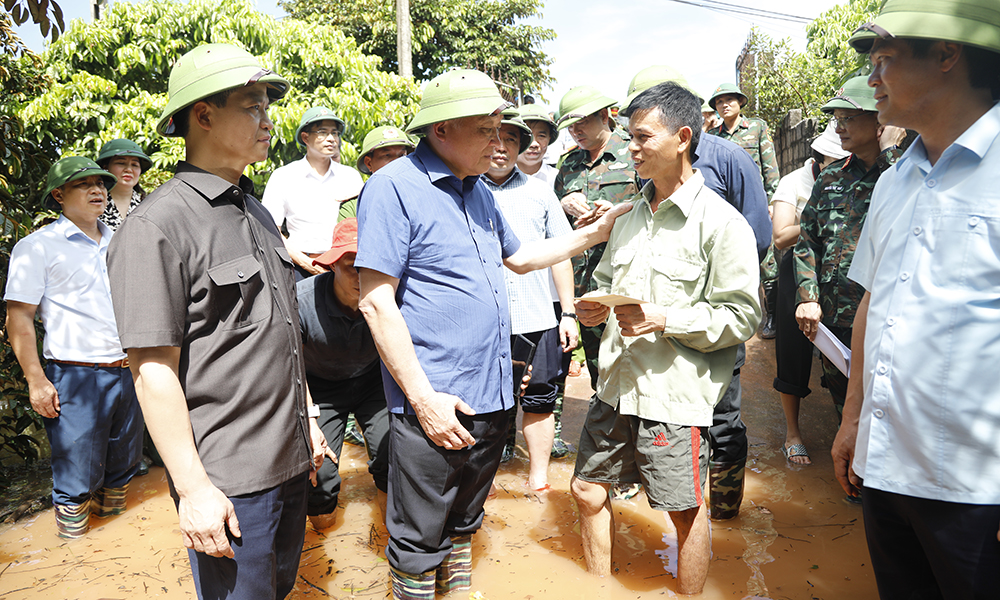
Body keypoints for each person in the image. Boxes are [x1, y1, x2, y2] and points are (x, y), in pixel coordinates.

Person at [355, 68, 630, 599]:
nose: (498, 143)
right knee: (417, 537)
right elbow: (375, 302)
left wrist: (595, 233)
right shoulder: (393, 188)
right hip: (436, 399)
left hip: (493, 392)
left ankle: (456, 592)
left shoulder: (478, 190)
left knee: (464, 520)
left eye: (501, 130)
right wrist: (423, 401)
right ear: (441, 130)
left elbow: (521, 258)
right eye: (485, 130)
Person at [106, 44, 332, 600]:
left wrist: (307, 416)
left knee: (280, 589)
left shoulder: (256, 211)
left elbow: (280, 332)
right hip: (229, 479)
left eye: (267, 107)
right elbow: (152, 372)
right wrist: (193, 490)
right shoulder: (157, 226)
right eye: (252, 107)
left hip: (289, 457)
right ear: (203, 115)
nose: (268, 121)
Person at [833, 2, 1000, 597]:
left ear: (947, 54)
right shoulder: (893, 180)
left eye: (883, 60)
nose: (871, 78)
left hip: (976, 488)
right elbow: (872, 306)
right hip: (885, 469)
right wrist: (851, 419)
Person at [572, 81, 760, 595]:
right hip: (615, 384)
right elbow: (607, 280)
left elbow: (743, 317)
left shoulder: (722, 224)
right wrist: (593, 306)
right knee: (587, 490)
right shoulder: (629, 216)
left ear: (682, 138)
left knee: (682, 510)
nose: (630, 148)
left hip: (673, 396)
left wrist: (665, 318)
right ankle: (596, 589)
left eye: (642, 137)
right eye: (629, 137)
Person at [622, 64, 772, 520]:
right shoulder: (646, 164)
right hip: (658, 332)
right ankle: (680, 502)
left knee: (722, 417)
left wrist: (708, 287)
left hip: (711, 318)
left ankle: (723, 512)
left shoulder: (729, 158)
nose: (635, 144)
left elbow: (756, 234)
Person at [5, 156, 143, 540]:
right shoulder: (38, 247)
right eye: (84, 185)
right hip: (76, 375)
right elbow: (19, 319)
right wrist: (36, 381)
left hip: (128, 370)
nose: (97, 190)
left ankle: (112, 551)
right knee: (75, 477)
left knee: (122, 468)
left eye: (101, 184)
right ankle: (73, 552)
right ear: (58, 195)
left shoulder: (122, 242)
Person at [793, 76, 905, 421]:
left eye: (848, 118)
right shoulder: (830, 178)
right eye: (836, 119)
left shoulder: (907, 172)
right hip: (834, 322)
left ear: (880, 119)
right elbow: (807, 240)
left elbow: (912, 213)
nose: (838, 128)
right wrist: (808, 296)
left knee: (889, 416)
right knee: (846, 415)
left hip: (888, 321)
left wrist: (890, 156)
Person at [483, 114, 577, 489]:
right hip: (484, 321)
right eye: (494, 138)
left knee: (540, 399)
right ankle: (485, 480)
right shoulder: (462, 188)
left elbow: (561, 255)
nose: (501, 147)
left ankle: (538, 479)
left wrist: (567, 313)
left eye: (511, 140)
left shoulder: (540, 192)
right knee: (486, 401)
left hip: (536, 317)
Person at [299, 218, 389, 529]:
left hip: (373, 381)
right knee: (318, 472)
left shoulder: (391, 295)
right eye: (352, 266)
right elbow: (288, 366)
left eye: (370, 266)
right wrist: (309, 420)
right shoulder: (301, 301)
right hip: (319, 388)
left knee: (393, 455)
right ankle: (324, 534)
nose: (362, 276)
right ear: (333, 265)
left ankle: (387, 535)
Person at [771, 122, 849, 465]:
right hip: (798, 270)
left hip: (841, 272)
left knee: (844, 350)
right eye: (836, 161)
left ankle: (846, 427)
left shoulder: (860, 178)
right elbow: (780, 237)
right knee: (794, 350)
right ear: (820, 158)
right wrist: (820, 216)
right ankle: (793, 433)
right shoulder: (794, 182)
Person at [553, 85, 638, 394]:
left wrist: (617, 212)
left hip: (625, 279)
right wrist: (563, 204)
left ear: (604, 116)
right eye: (570, 126)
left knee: (632, 364)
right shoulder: (568, 164)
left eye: (582, 123)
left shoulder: (633, 152)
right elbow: (552, 220)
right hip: (584, 283)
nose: (576, 131)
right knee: (597, 368)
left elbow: (655, 206)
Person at [262, 106, 364, 279]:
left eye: (335, 133)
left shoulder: (350, 176)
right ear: (305, 137)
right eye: (322, 132)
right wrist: (306, 263)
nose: (331, 139)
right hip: (299, 266)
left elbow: (360, 224)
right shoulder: (284, 176)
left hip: (345, 266)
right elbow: (271, 230)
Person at [338, 125, 416, 222]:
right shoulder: (353, 207)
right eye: (387, 155)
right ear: (369, 163)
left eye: (402, 155)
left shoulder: (420, 197)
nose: (397, 162)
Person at [96, 138, 152, 232]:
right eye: (121, 163)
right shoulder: (93, 203)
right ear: (105, 167)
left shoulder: (149, 205)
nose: (129, 169)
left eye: (134, 165)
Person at [516, 104, 559, 185]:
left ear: (549, 139)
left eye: (541, 136)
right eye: (526, 136)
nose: (534, 144)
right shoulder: (497, 178)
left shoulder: (557, 179)